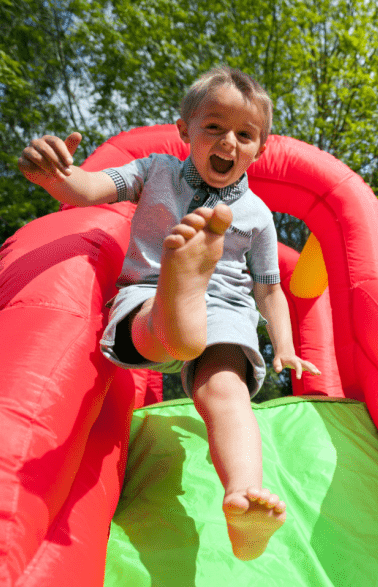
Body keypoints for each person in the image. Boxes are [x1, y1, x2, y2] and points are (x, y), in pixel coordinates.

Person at [18, 65, 320, 561]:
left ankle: (242, 496)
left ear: (260, 148)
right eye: (215, 127)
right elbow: (88, 189)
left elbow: (269, 291)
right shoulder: (152, 171)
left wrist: (285, 346)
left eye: (245, 134)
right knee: (174, 338)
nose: (229, 142)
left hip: (222, 307)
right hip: (149, 290)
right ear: (185, 130)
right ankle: (178, 298)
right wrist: (56, 174)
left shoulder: (258, 216)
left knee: (223, 389)